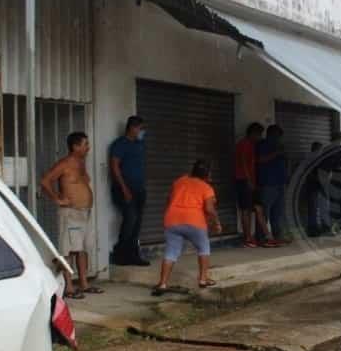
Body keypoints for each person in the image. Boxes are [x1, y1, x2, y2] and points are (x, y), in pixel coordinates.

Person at [40, 131, 102, 299]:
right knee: (68, 251)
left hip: (84, 213)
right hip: (70, 213)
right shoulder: (65, 164)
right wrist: (57, 199)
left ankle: (84, 284)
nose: (88, 148)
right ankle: (68, 288)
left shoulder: (81, 163)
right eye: (85, 144)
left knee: (82, 249)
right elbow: (45, 180)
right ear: (75, 147)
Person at [152, 160, 223, 296]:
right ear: (207, 174)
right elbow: (209, 209)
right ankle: (203, 279)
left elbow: (169, 199)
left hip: (172, 219)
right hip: (194, 221)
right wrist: (217, 222)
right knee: (204, 249)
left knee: (171, 252)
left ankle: (162, 283)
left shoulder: (180, 180)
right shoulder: (206, 187)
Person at [110, 116, 149, 266]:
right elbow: (114, 166)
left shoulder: (139, 144)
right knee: (130, 220)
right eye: (140, 128)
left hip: (139, 189)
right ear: (132, 127)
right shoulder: (120, 144)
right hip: (125, 189)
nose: (142, 131)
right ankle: (120, 254)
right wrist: (124, 188)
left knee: (137, 222)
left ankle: (133, 255)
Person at [234, 122, 269, 248]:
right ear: (253, 133)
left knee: (258, 209)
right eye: (259, 134)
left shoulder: (251, 145)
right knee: (246, 210)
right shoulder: (244, 144)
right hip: (244, 181)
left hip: (250, 182)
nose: (260, 137)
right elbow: (243, 163)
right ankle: (248, 238)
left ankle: (268, 236)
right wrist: (249, 181)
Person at [256, 124, 288, 246]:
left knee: (277, 212)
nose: (279, 138)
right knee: (264, 212)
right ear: (271, 134)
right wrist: (276, 153)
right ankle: (262, 237)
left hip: (280, 183)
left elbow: (284, 161)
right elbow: (260, 160)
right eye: (277, 135)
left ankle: (277, 236)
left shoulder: (279, 145)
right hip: (268, 183)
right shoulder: (263, 144)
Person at [321, 131, 341, 233]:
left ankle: (336, 227)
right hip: (338, 180)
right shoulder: (338, 149)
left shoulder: (331, 149)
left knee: (337, 204)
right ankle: (340, 227)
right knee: (339, 204)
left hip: (335, 180)